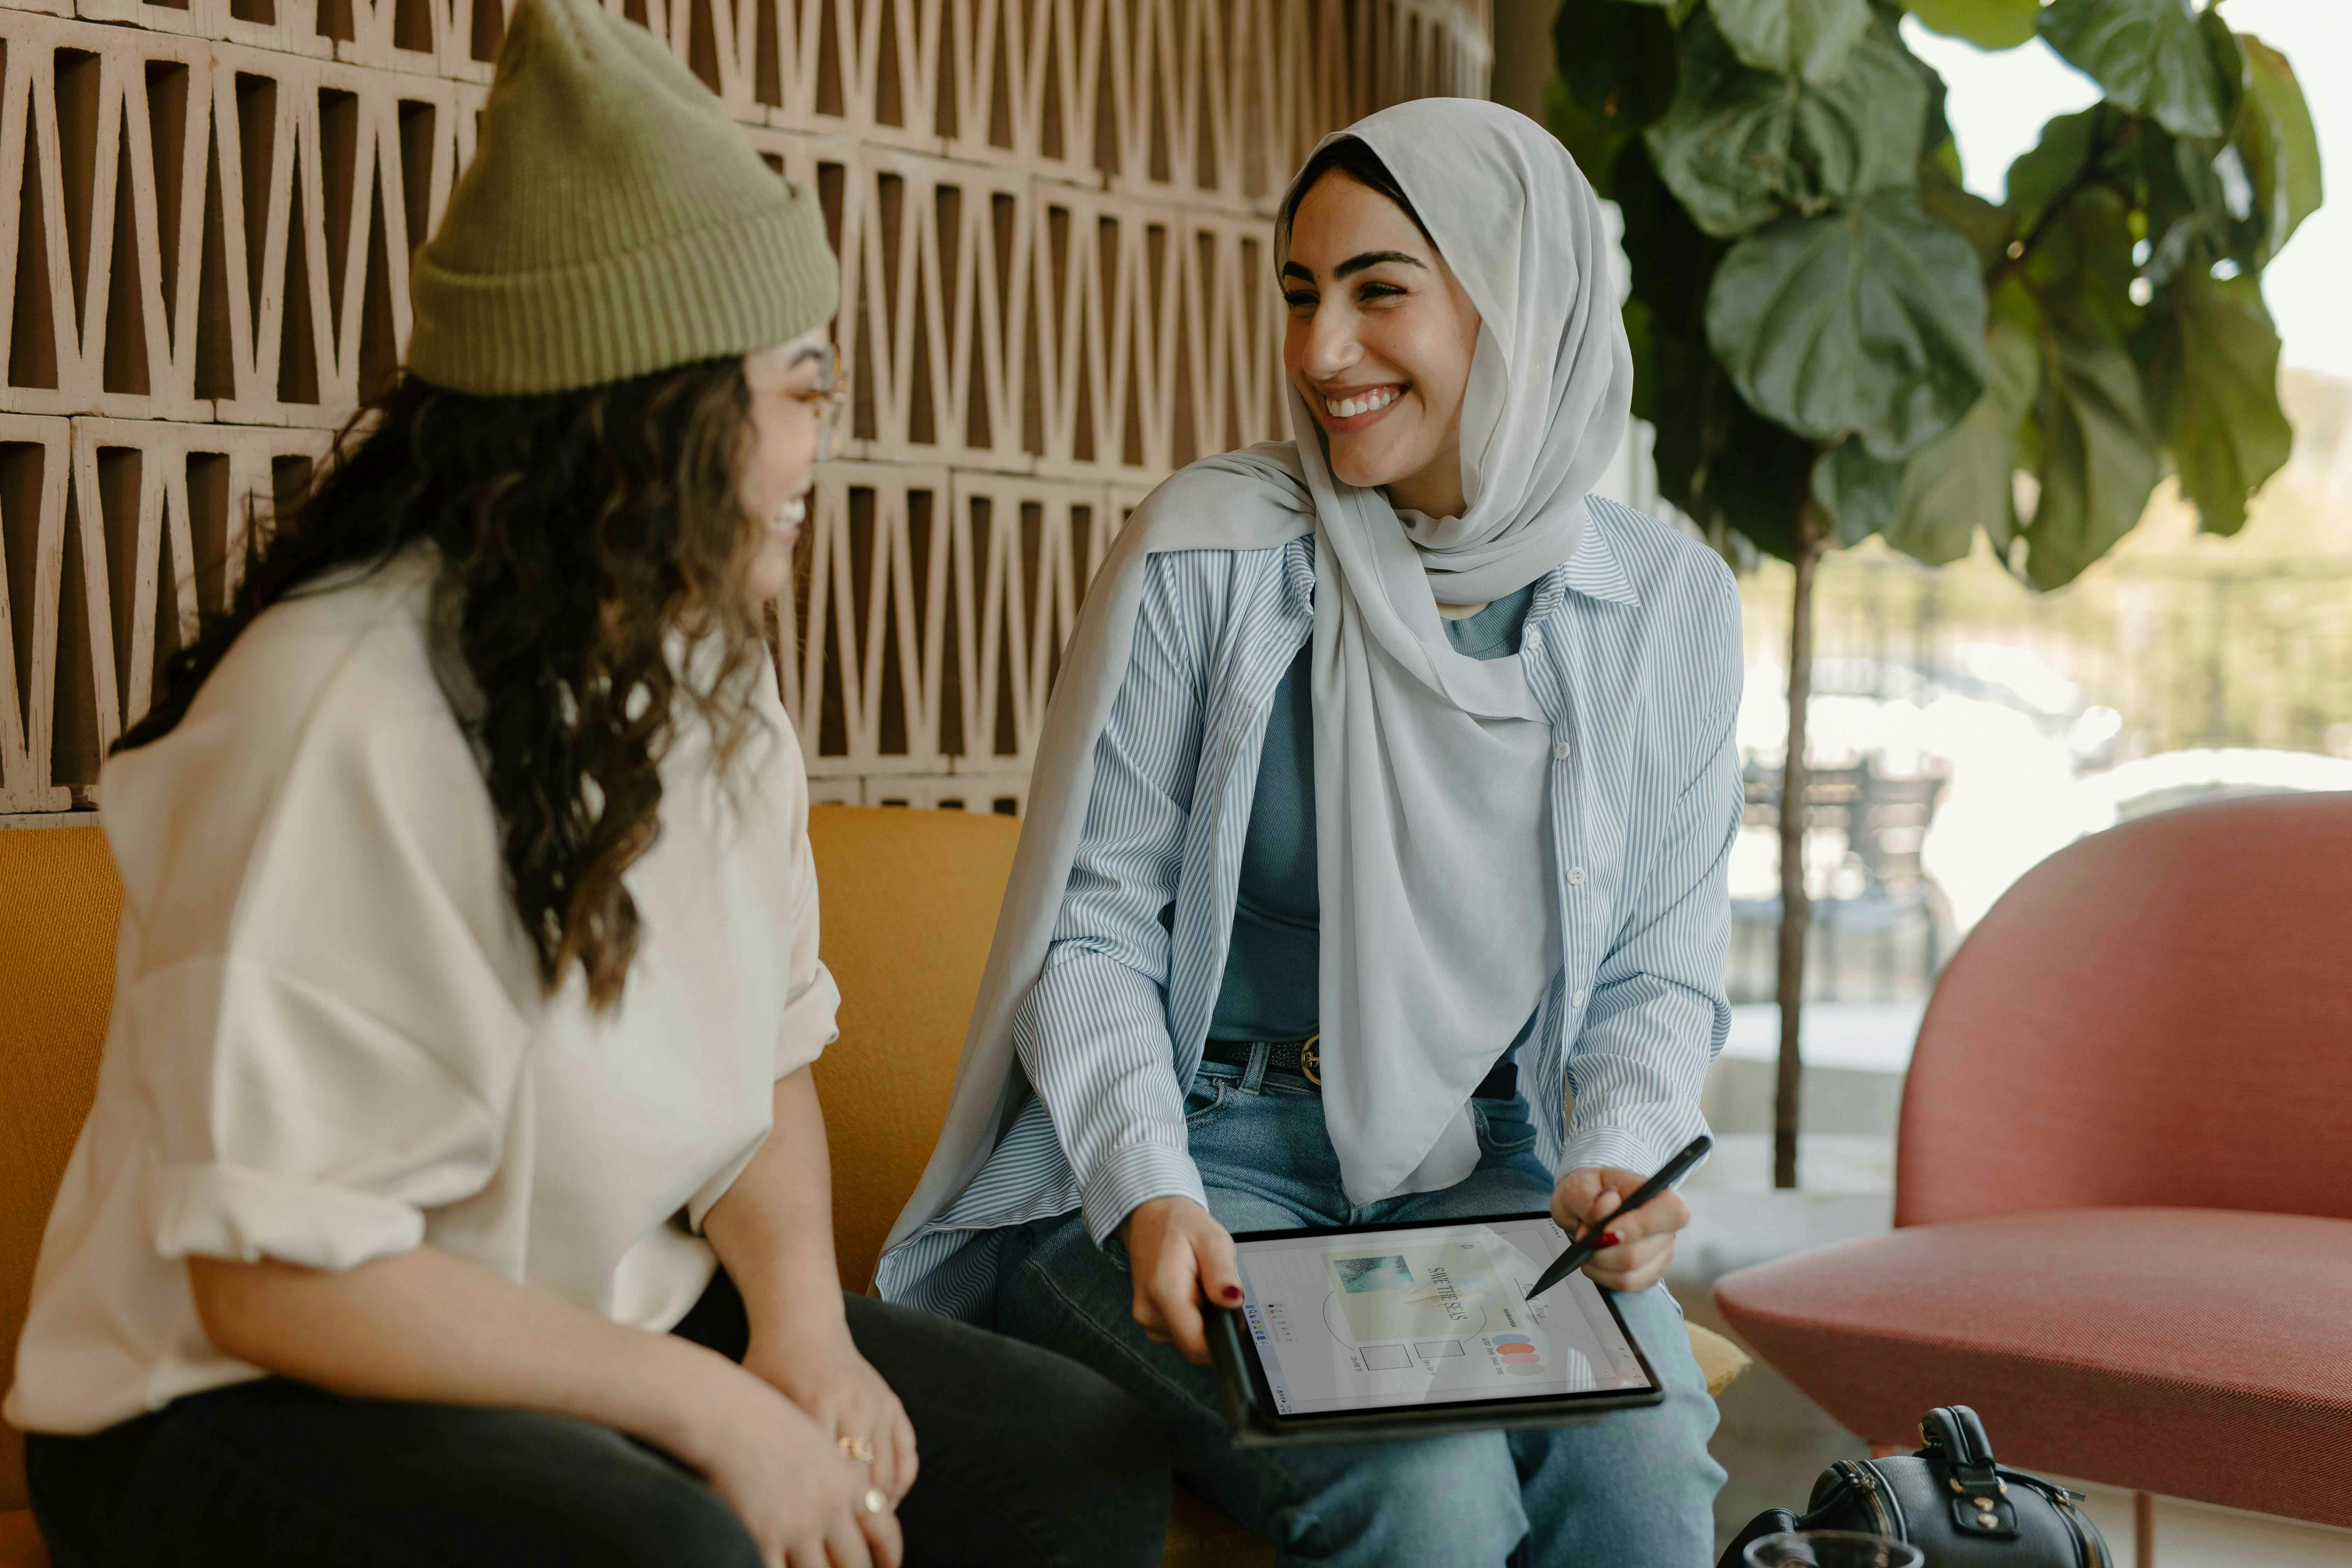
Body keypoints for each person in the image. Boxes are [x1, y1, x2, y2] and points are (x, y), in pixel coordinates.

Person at [4, 1, 1168, 1563]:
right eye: (804, 386)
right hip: (231, 1392)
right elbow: (271, 1274)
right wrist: (710, 1412)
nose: (829, 437)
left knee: (1070, 1461)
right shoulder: (335, 703)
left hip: (583, 1316)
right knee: (670, 1545)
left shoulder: (708, 664)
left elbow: (761, 1073)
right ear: (649, 410)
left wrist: (808, 1337)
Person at [875, 99, 1740, 1566]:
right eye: (1300, 292)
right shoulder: (1214, 550)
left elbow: (1659, 970)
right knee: (1429, 1487)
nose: (1320, 350)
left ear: (1515, 306)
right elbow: (1091, 928)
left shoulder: (1668, 605)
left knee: (1641, 1475)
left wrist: (1623, 1156)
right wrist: (1147, 1183)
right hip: (1204, 1158)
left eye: (1379, 290)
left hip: (1495, 1165)